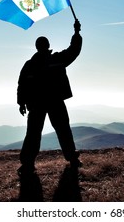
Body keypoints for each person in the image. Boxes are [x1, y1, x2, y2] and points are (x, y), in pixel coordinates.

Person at [17, 19, 82, 176]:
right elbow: (73, 51)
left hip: (41, 103)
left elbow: (21, 85)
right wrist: (77, 33)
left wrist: (77, 33)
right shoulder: (52, 60)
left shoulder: (32, 64)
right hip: (51, 102)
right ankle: (72, 158)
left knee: (37, 133)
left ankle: (28, 163)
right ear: (45, 46)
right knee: (59, 131)